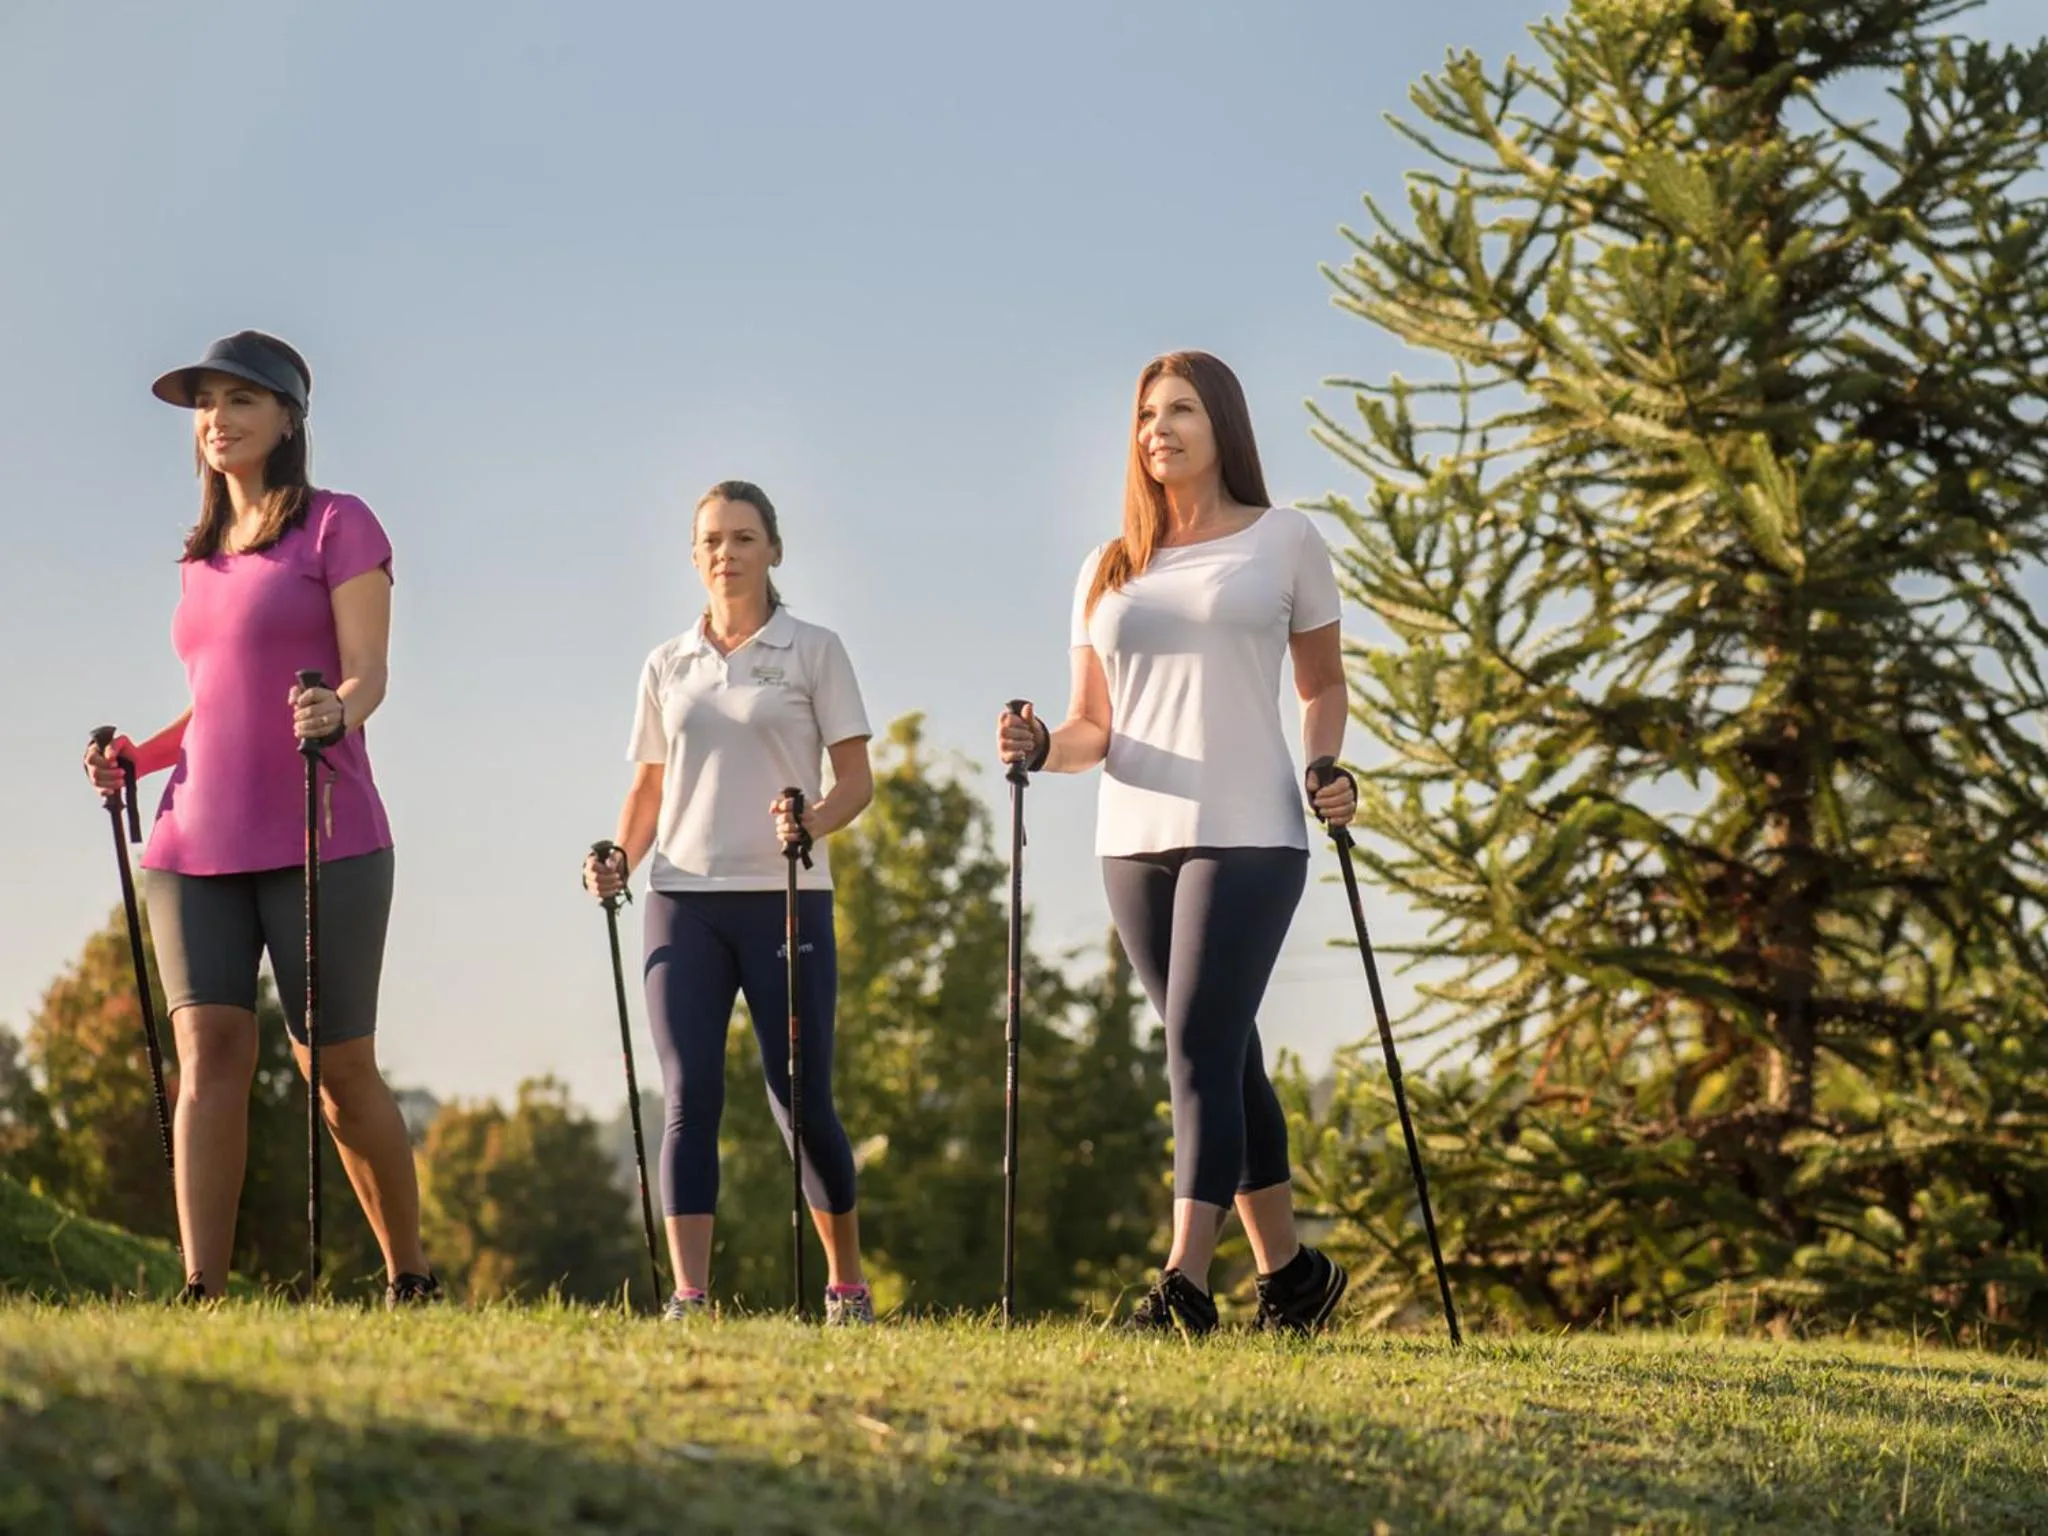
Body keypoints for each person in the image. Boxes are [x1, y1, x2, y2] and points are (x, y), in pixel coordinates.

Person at [998, 350, 1357, 1334]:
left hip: (1247, 831)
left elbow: (1320, 685)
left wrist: (1324, 765)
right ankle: (1291, 1278)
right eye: (1146, 414)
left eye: (1181, 409)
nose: (1158, 428)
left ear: (1222, 425)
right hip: (1132, 841)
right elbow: (1091, 727)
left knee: (1195, 1046)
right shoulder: (1107, 567)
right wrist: (1041, 745)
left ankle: (1183, 1285)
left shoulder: (1283, 540)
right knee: (1221, 1053)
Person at [82, 330, 437, 1305]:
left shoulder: (337, 526)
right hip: (192, 840)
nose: (217, 420)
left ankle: (409, 1273)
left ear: (287, 420)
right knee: (208, 1057)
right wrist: (137, 759)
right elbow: (217, 702)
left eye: (240, 401)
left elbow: (367, 672)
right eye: (206, 404)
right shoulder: (199, 562)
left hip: (326, 834)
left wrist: (339, 708)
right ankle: (204, 1288)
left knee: (336, 1073)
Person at [584, 480, 877, 1324]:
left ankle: (846, 1287)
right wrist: (618, 857)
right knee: (689, 1097)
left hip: (787, 895)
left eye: (744, 538)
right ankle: (689, 1296)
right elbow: (648, 788)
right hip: (683, 899)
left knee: (800, 1098)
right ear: (694, 555)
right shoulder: (666, 663)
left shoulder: (813, 649)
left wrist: (812, 821)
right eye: (711, 540)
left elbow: (855, 780)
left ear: (773, 550)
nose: (727, 553)